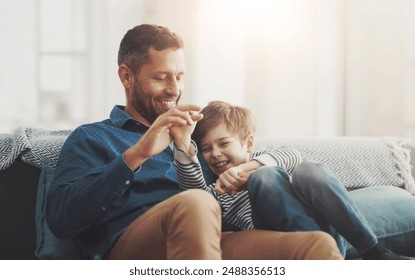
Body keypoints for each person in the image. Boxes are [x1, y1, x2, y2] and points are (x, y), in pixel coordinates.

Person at [45, 23, 342, 260]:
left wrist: (191, 149)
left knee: (316, 246)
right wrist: (136, 155)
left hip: (215, 240)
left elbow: (253, 163)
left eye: (180, 76)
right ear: (126, 76)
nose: (174, 89)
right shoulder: (93, 137)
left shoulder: (196, 139)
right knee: (195, 203)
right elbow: (61, 219)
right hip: (132, 246)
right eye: (161, 77)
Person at [174, 100, 412, 260]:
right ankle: (330, 256)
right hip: (279, 227)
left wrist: (247, 169)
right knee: (264, 178)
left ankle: (373, 252)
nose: (215, 153)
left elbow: (291, 154)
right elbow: (193, 192)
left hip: (315, 218)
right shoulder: (217, 189)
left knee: (308, 170)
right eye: (206, 148)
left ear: (247, 144)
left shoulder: (263, 159)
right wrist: (184, 145)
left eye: (224, 143)